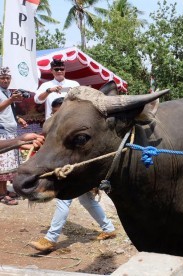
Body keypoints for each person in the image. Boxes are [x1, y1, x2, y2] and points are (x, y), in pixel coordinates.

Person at [29, 86, 116, 253]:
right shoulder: (54, 128)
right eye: (54, 114)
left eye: (58, 113)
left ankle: (50, 238)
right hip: (65, 167)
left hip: (72, 169)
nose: (57, 117)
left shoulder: (75, 128)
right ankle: (109, 228)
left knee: (63, 200)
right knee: (86, 200)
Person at [0, 67, 28, 205]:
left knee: (8, 164)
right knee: (2, 165)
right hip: (2, 132)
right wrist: (11, 100)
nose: (5, 80)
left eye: (7, 78)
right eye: (2, 78)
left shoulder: (7, 92)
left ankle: (4, 190)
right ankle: (2, 194)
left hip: (10, 131)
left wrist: (18, 119)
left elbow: (7, 111)